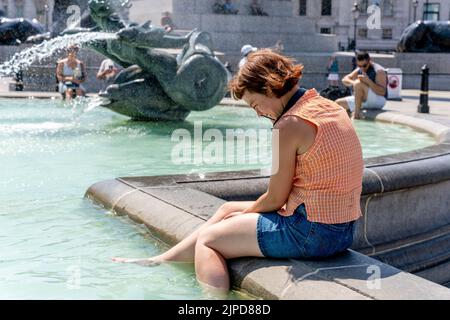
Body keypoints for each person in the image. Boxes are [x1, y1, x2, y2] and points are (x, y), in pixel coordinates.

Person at [113, 49, 364, 297]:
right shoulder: (327, 107)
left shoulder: (289, 124)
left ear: (268, 87)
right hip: (343, 231)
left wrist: (240, 218)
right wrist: (236, 216)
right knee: (225, 209)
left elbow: (275, 199)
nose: (258, 113)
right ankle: (162, 259)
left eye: (255, 104)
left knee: (209, 241)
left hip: (311, 233)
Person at [336, 51, 387, 119]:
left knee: (358, 84)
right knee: (338, 103)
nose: (362, 68)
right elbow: (344, 79)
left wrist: (368, 81)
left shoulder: (379, 71)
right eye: (359, 66)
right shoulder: (360, 69)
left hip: (378, 100)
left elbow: (382, 92)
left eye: (364, 65)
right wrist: (353, 83)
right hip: (363, 99)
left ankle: (356, 115)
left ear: (370, 60)